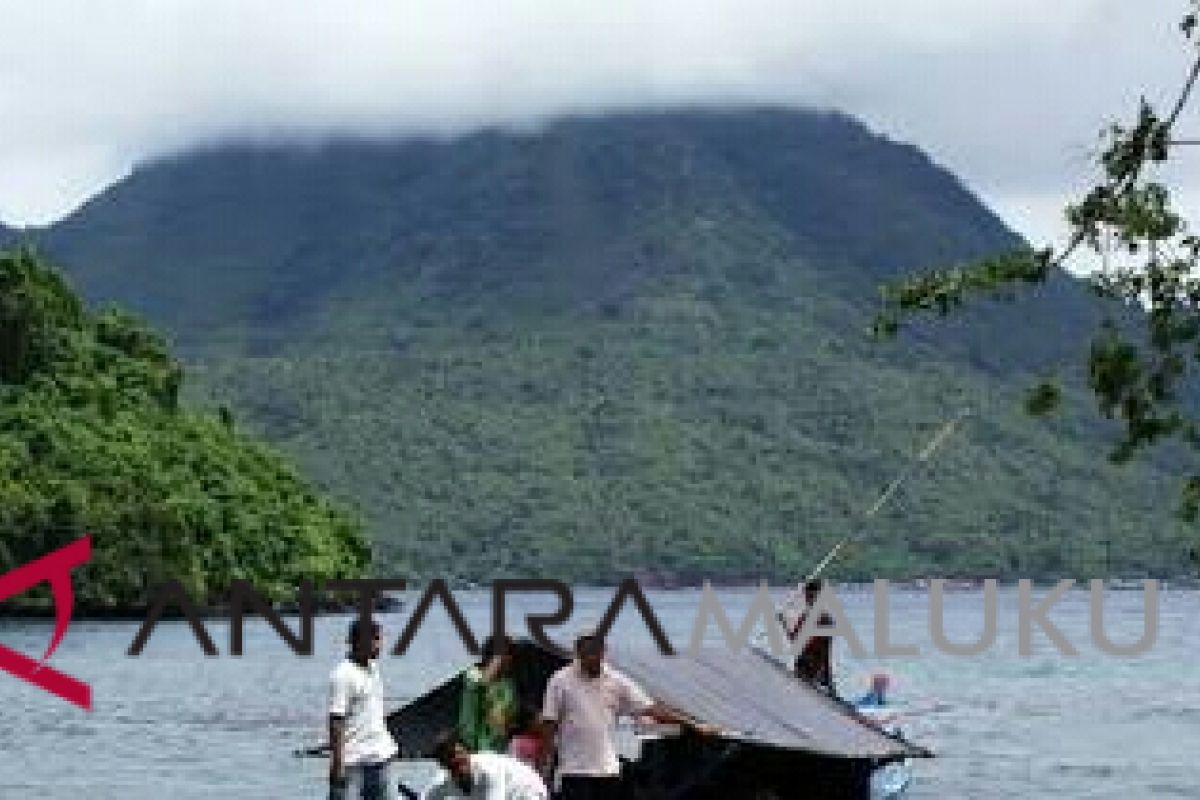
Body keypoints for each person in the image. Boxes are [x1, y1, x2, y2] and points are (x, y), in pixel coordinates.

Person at [541, 627, 714, 800]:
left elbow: (651, 709)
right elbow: (549, 724)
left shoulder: (616, 681)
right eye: (586, 652)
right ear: (578, 652)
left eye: (595, 651)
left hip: (607, 770)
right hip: (574, 771)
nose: (591, 657)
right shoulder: (560, 681)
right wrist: (546, 768)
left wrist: (693, 724)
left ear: (603, 651)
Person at [328, 618, 398, 800]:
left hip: (381, 758)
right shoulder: (343, 675)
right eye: (375, 639)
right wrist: (338, 764)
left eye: (380, 639)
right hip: (354, 763)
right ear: (358, 642)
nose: (379, 645)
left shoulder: (373, 668)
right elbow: (336, 720)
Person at [421, 731, 549, 800]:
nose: (457, 760)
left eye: (459, 754)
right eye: (450, 758)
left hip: (527, 790)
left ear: (468, 752)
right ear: (443, 765)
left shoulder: (490, 772)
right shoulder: (440, 783)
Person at [459, 634, 519, 752]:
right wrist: (497, 659)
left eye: (511, 655)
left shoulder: (508, 684)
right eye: (507, 654)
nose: (510, 659)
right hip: (471, 743)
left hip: (498, 746)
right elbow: (482, 684)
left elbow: (509, 712)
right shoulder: (472, 673)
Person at [785, 579, 836, 695]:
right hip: (805, 669)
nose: (809, 599)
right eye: (808, 596)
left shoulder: (823, 619)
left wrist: (784, 623)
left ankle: (826, 681)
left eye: (812, 596)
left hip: (811, 672)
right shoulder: (810, 617)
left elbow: (798, 643)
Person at [506, 706, 548, 777]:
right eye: (538, 720)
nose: (541, 723)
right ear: (529, 722)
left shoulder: (542, 740)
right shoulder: (517, 742)